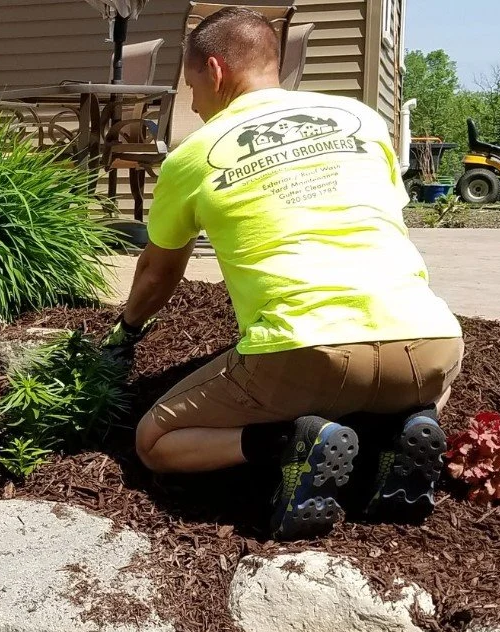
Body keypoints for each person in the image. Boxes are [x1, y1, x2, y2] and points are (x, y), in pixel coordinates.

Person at [108, 7, 463, 541]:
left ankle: (287, 443)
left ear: (215, 70)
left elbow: (158, 275)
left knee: (154, 441)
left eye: (192, 88)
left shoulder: (193, 156)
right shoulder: (363, 120)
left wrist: (128, 330)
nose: (196, 104)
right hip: (432, 342)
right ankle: (396, 431)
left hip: (304, 351)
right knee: (413, 373)